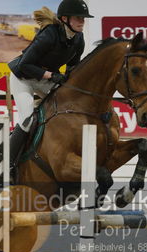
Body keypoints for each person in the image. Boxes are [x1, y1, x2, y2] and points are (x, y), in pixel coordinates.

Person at [8, 0, 94, 175]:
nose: (82, 22)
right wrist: (51, 76)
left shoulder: (78, 39)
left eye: (83, 18)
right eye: (78, 18)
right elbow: (25, 64)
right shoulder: (49, 34)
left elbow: (72, 67)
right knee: (28, 121)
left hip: (44, 80)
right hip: (23, 78)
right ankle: (8, 162)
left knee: (68, 109)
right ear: (65, 19)